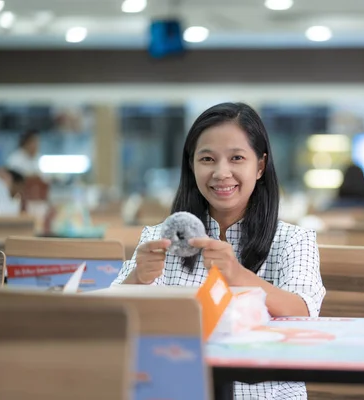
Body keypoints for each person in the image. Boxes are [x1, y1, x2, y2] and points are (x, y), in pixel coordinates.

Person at [113, 102, 326, 399]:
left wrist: (237, 275)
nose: (221, 172)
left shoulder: (294, 240)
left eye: (236, 158)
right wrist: (138, 278)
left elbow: (303, 313)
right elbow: (112, 315)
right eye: (208, 159)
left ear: (260, 166)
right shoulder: (160, 239)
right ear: (192, 165)